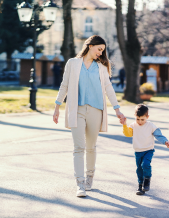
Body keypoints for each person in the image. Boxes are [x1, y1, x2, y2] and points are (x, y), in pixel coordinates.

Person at [53, 35, 125, 197]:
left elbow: (108, 88)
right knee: (79, 147)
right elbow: (64, 84)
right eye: (99, 49)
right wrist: (57, 106)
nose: (101, 53)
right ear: (90, 46)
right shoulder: (72, 63)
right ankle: (80, 183)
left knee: (91, 147)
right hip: (77, 109)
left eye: (103, 51)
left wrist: (117, 109)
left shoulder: (101, 67)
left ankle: (89, 178)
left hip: (96, 110)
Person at [122, 104, 169, 195]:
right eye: (137, 119)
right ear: (135, 116)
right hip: (138, 151)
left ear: (147, 117)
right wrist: (124, 124)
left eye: (142, 119)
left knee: (145, 165)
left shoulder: (151, 126)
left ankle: (147, 180)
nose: (140, 122)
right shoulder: (133, 125)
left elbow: (158, 135)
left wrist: (165, 141)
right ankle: (140, 186)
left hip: (148, 150)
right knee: (139, 169)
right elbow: (128, 134)